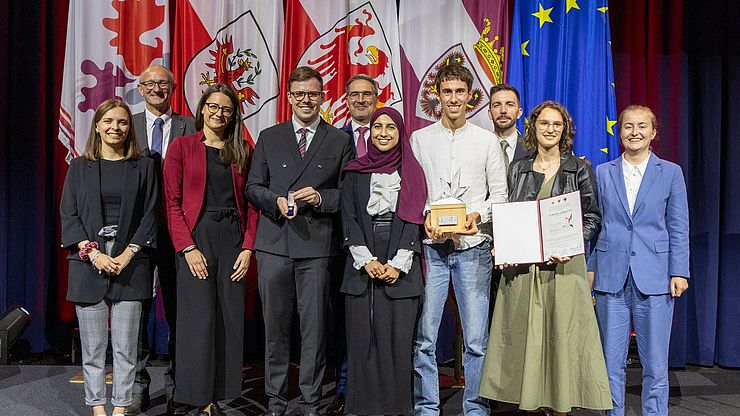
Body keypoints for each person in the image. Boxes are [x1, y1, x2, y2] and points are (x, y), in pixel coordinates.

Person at [479, 101, 612, 415]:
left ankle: (561, 406)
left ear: (564, 129)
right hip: (525, 271)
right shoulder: (518, 168)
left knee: (560, 337)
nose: (550, 129)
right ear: (533, 128)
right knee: (526, 337)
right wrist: (503, 245)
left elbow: (592, 217)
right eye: (544, 124)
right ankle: (528, 402)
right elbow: (509, 214)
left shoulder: (579, 169)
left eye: (557, 124)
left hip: (564, 268)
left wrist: (572, 243)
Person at [246, 66, 354, 416]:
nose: (307, 100)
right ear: (289, 97)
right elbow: (252, 188)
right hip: (274, 245)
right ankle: (276, 401)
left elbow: (348, 195)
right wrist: (275, 202)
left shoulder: (339, 139)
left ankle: (310, 401)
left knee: (314, 331)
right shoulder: (269, 136)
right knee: (275, 329)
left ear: (323, 97)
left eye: (313, 94)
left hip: (318, 248)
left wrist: (321, 199)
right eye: (299, 94)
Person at [410, 63, 508, 416]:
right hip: (432, 249)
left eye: (459, 92)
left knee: (476, 340)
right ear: (437, 95)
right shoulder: (419, 140)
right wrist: (425, 220)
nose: (453, 98)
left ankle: (476, 409)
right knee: (425, 338)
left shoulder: (486, 141)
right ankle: (427, 408)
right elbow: (413, 194)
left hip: (473, 248)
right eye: (447, 92)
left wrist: (476, 215)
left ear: (471, 96)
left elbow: (500, 195)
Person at [163, 83, 258, 416]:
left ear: (233, 115)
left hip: (233, 239)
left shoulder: (243, 149)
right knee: (196, 319)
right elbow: (171, 204)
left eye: (227, 109)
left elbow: (253, 205)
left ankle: (219, 393)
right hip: (196, 238)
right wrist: (187, 247)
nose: (219, 114)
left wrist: (248, 248)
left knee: (228, 318)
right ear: (202, 109)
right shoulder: (182, 146)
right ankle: (193, 394)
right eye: (214, 107)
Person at [589, 105, 690, 416]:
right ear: (620, 133)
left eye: (641, 126)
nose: (635, 132)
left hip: (657, 278)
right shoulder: (602, 172)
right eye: (628, 126)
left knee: (656, 365)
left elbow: (678, 225)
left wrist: (679, 271)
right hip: (610, 277)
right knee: (610, 363)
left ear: (653, 133)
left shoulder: (671, 172)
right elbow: (595, 223)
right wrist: (590, 269)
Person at [60, 99, 158, 416]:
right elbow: (69, 215)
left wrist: (129, 254)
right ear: (98, 126)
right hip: (88, 266)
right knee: (93, 349)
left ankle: (120, 408)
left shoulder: (144, 166)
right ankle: (97, 407)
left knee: (127, 348)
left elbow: (150, 214)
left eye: (122, 122)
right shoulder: (78, 166)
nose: (115, 127)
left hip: (132, 265)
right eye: (109, 121)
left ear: (130, 128)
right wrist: (93, 253)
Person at [340, 107, 427, 415]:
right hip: (362, 263)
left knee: (397, 342)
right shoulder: (354, 171)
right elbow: (347, 218)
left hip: (401, 261)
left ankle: (397, 409)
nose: (384, 132)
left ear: (400, 132)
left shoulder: (413, 171)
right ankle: (361, 408)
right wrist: (365, 260)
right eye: (378, 127)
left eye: (391, 127)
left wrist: (399, 262)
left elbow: (415, 220)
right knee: (363, 341)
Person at [129, 64, 196, 416]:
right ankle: (138, 385)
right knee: (136, 310)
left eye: (163, 83)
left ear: (173, 89)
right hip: (137, 233)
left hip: (176, 230)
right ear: (140, 89)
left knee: (177, 310)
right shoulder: (128, 125)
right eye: (150, 83)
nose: (157, 88)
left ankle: (177, 385)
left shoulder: (190, 126)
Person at [326, 73, 381, 416]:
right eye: (354, 95)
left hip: (385, 245)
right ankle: (344, 389)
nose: (361, 100)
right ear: (346, 99)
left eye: (367, 94)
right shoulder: (334, 139)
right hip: (340, 245)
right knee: (345, 323)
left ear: (377, 97)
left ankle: (380, 386)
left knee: (382, 320)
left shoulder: (389, 134)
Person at [487, 83, 530, 313]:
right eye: (497, 105)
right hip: (483, 245)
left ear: (519, 112)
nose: (503, 110)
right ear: (489, 112)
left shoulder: (534, 150)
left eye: (509, 105)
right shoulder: (478, 146)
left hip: (523, 248)